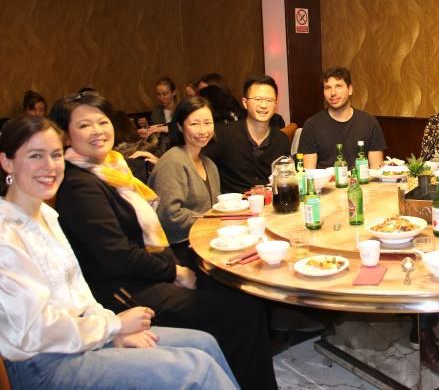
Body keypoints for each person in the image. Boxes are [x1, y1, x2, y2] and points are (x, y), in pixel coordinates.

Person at [50, 92, 277, 390]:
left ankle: (234, 373)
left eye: (102, 122)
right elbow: (118, 255)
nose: (97, 131)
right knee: (240, 311)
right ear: (66, 136)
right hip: (122, 291)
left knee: (241, 293)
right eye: (84, 125)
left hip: (147, 270)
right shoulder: (80, 185)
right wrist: (174, 272)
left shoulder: (114, 171)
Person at [0, 116, 239, 390]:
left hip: (81, 337)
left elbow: (79, 293)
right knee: (194, 368)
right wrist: (112, 328)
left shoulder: (46, 215)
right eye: (35, 156)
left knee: (204, 343)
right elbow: (34, 332)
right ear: (7, 162)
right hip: (44, 364)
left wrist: (111, 331)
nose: (49, 166)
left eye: (55, 155)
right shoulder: (6, 235)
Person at [148, 97, 219, 266]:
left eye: (207, 123)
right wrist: (213, 220)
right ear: (180, 126)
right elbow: (169, 214)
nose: (203, 130)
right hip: (180, 250)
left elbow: (215, 205)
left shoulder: (209, 164)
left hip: (206, 241)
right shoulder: (173, 162)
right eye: (194, 124)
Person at [204, 76, 290, 193]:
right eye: (258, 99)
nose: (263, 105)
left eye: (269, 100)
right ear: (245, 103)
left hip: (269, 206)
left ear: (275, 105)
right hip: (233, 208)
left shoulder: (282, 140)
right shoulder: (224, 135)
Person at [299, 66, 386, 169]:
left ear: (350, 90)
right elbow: (309, 174)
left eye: (338, 86)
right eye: (328, 88)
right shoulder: (312, 125)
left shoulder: (370, 123)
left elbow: (376, 171)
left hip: (361, 184)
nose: (333, 93)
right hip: (324, 184)